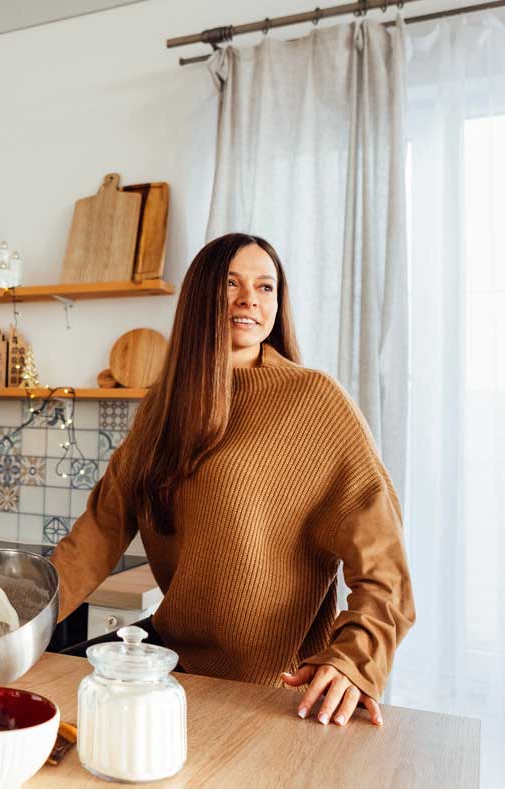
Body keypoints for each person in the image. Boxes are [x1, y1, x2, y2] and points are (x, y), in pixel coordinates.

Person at [51, 232, 414, 727]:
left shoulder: (314, 400)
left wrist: (355, 660)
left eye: (266, 288)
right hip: (172, 658)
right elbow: (98, 532)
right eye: (231, 284)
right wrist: (14, 625)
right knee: (36, 696)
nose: (249, 299)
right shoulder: (163, 409)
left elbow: (385, 566)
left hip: (271, 686)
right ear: (201, 296)